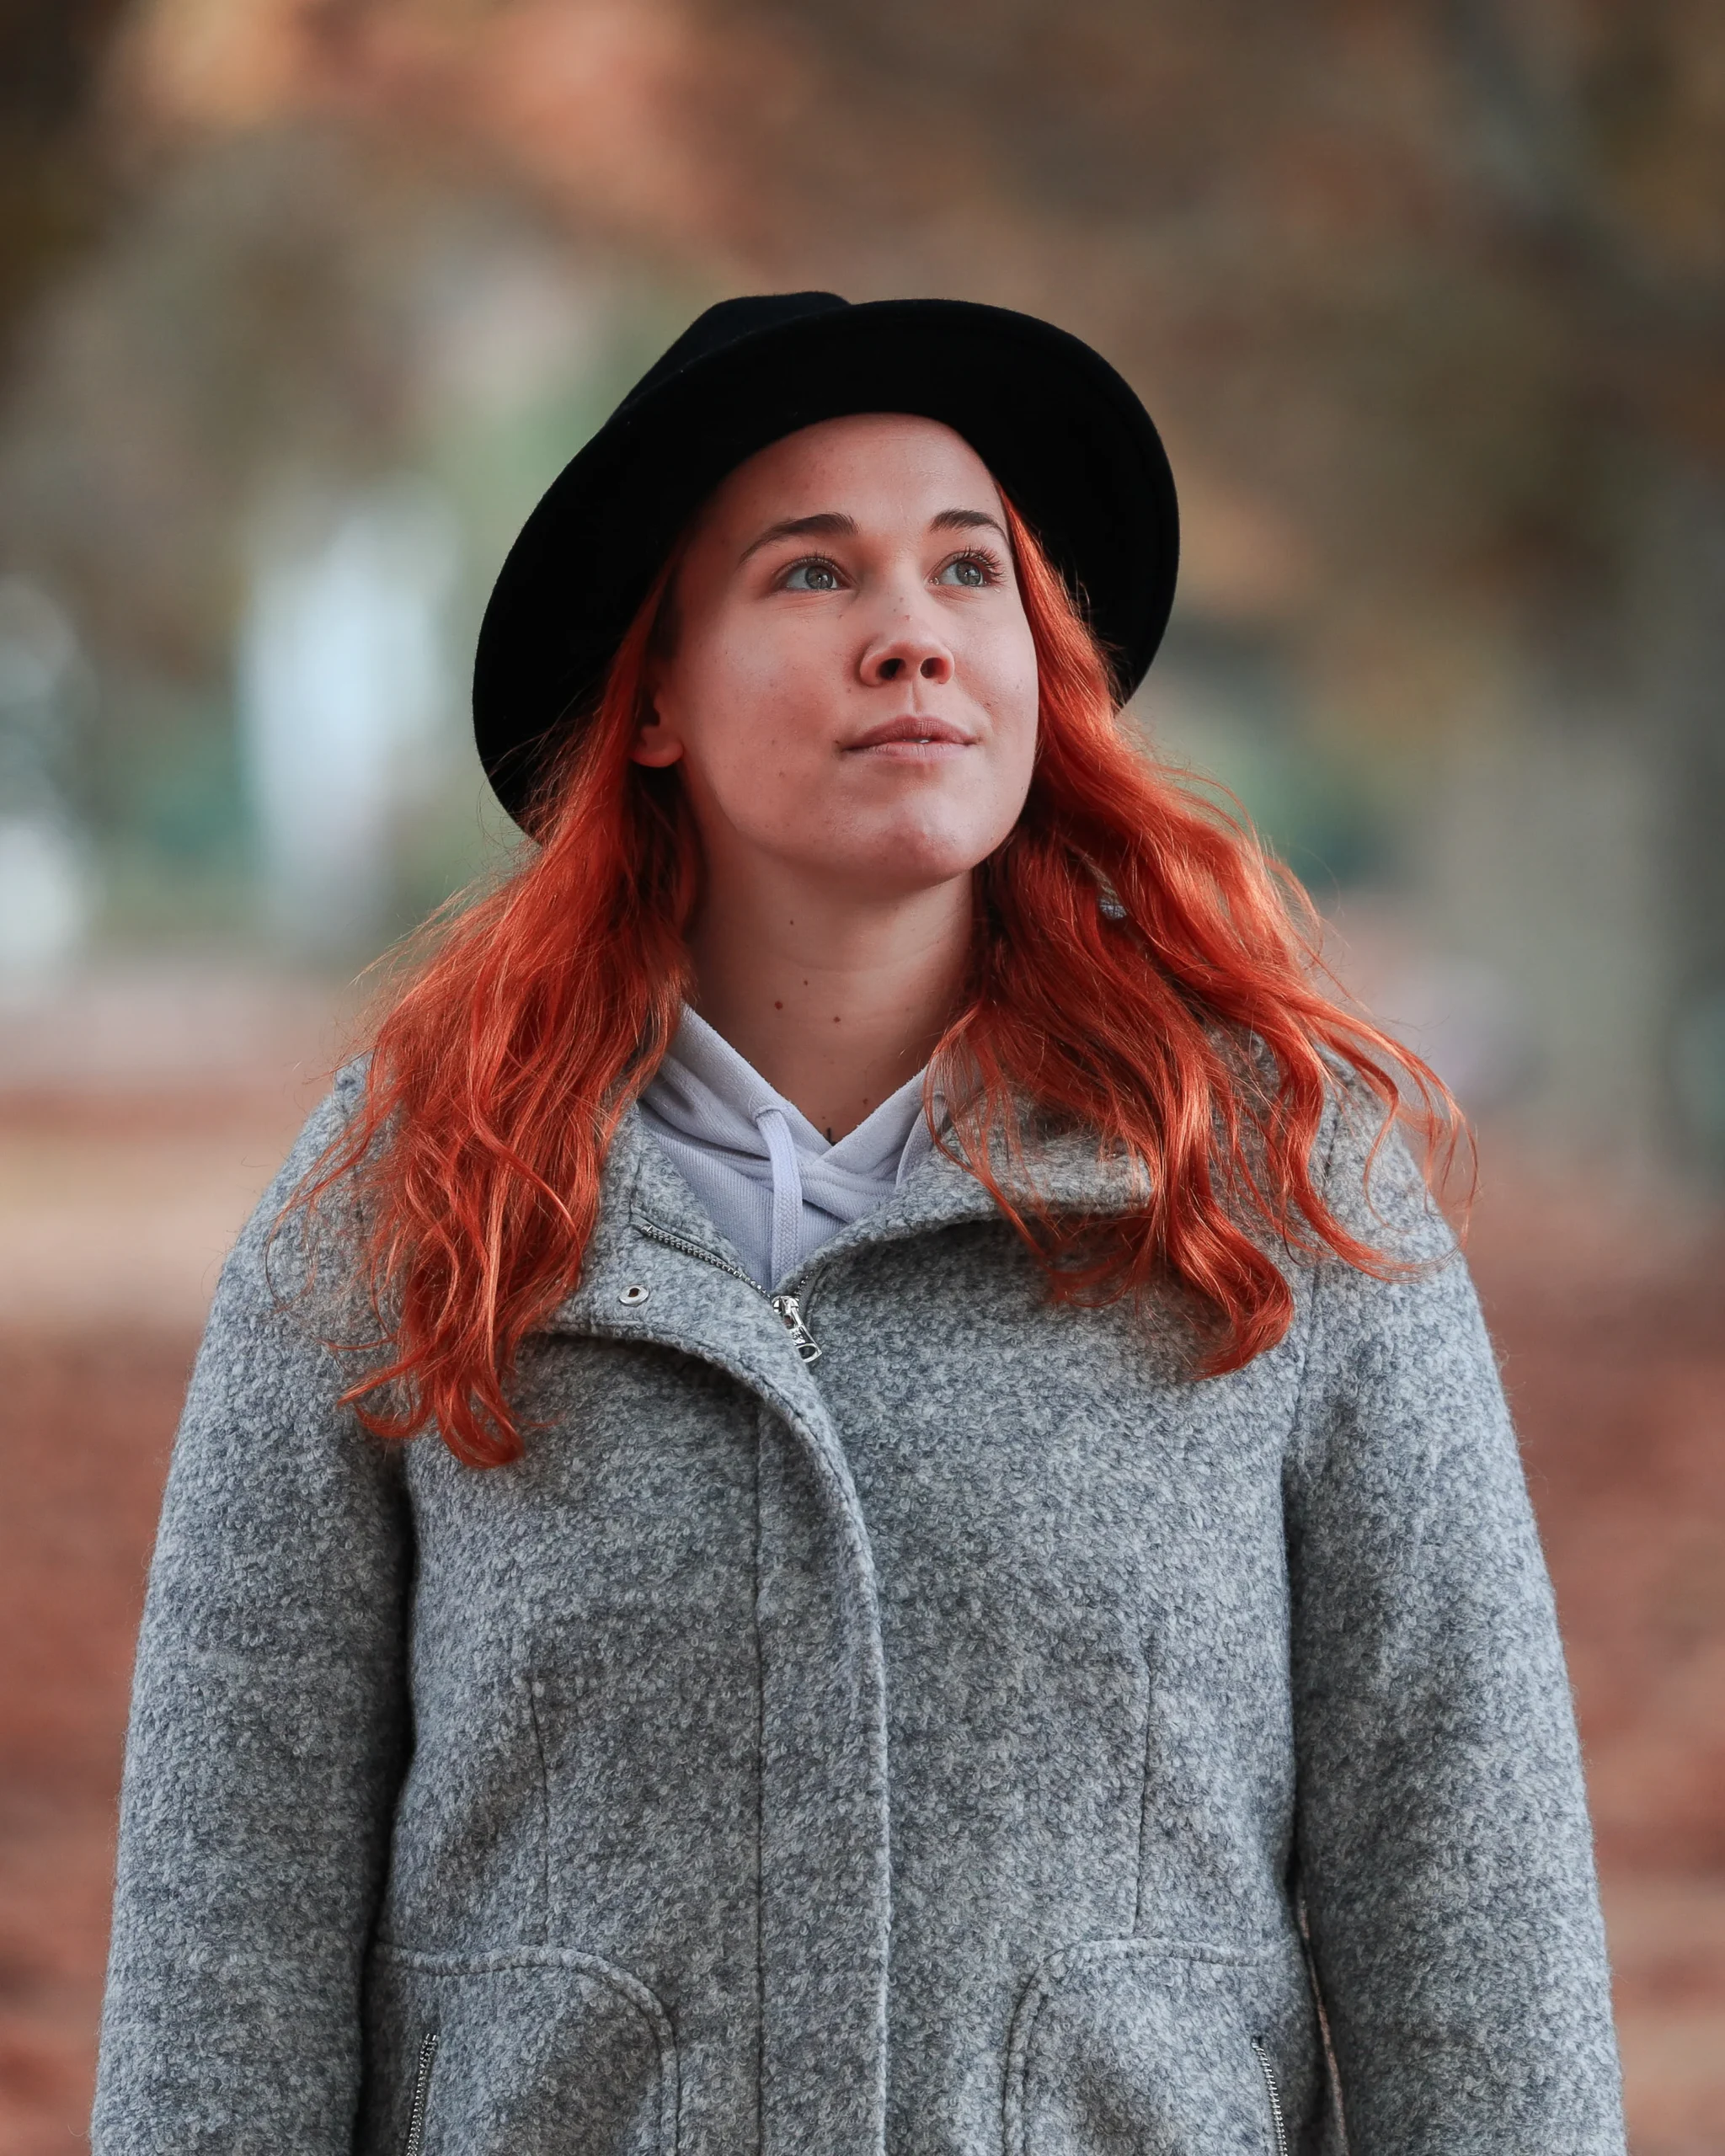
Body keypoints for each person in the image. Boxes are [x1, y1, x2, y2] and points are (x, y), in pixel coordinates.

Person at [92, 294, 1626, 2156]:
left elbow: (1472, 1901)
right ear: (652, 696)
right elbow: (225, 1937)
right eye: (812, 572)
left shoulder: (1279, 1185)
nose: (914, 632)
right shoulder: (408, 1200)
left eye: (968, 570)